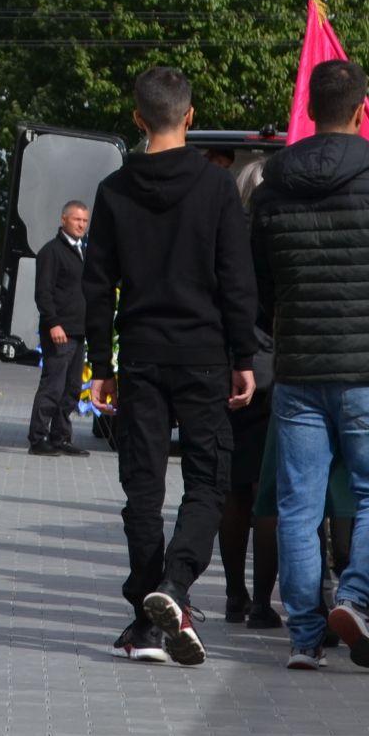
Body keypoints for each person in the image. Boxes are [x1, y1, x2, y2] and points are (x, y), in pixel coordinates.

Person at [251, 59, 369, 671]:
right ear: (360, 113)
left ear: (310, 110)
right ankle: (353, 597)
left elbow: (262, 286)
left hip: (299, 367)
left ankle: (303, 635)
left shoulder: (271, 190)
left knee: (299, 504)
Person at [84, 68, 257, 667]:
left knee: (142, 486)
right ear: (189, 116)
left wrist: (98, 363)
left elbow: (97, 283)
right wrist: (244, 357)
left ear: (137, 118)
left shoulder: (112, 191)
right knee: (209, 479)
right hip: (205, 354)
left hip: (140, 354)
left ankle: (145, 616)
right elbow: (237, 281)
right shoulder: (217, 189)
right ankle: (177, 586)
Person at [219, 164, 280, 629]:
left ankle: (235, 594)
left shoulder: (225, 234)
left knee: (234, 490)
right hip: (275, 370)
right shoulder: (281, 234)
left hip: (228, 367)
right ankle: (261, 601)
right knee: (267, 495)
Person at [29, 200, 92, 457]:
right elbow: (43, 292)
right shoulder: (51, 252)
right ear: (64, 219)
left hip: (79, 330)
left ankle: (61, 437)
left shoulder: (84, 251)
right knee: (53, 386)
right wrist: (53, 322)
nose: (81, 225)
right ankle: (38, 438)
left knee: (72, 388)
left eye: (85, 221)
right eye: (77, 219)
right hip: (59, 330)